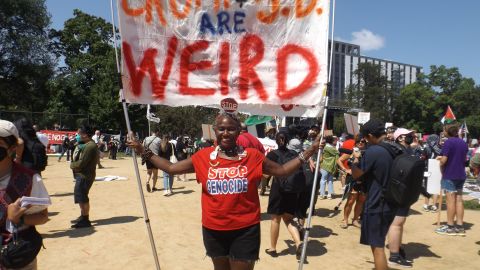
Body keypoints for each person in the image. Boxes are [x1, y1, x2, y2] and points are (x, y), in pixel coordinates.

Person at [127, 111, 321, 270]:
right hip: (213, 230)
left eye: (231, 129)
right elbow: (170, 168)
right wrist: (141, 150)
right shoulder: (202, 157)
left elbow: (282, 171)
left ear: (239, 132)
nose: (226, 133)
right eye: (221, 129)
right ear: (215, 131)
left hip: (246, 230)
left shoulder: (253, 157)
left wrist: (310, 151)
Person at [0, 120, 50, 270]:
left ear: (12, 148)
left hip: (15, 256)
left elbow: (43, 216)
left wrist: (19, 218)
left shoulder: (30, 179)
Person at [351, 119, 398, 270]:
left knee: (377, 246)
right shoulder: (394, 147)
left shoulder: (374, 151)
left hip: (377, 202)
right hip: (391, 201)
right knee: (379, 241)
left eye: (365, 137)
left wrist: (355, 160)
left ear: (371, 136)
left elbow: (357, 175)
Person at [265, 132, 304, 261]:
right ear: (288, 141)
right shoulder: (294, 154)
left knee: (275, 219)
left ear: (275, 140)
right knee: (288, 219)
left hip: (278, 190)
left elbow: (265, 175)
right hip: (292, 191)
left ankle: (273, 248)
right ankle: (298, 242)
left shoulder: (272, 155)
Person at [386, 128, 416, 267]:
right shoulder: (396, 152)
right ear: (400, 138)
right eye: (409, 135)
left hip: (404, 191)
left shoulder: (407, 150)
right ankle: (394, 256)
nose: (412, 136)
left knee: (399, 223)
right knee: (396, 223)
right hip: (398, 192)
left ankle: (396, 248)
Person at [435, 124, 468, 236]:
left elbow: (444, 160)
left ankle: (450, 227)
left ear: (447, 132)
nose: (443, 132)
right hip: (461, 174)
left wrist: (439, 161)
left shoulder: (448, 142)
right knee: (459, 200)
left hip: (450, 174)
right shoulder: (463, 142)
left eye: (444, 130)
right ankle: (459, 226)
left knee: (450, 201)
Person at [70, 126, 98, 228]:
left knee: (82, 197)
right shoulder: (86, 144)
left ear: (85, 134)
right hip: (83, 175)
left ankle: (85, 220)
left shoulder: (90, 146)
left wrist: (72, 165)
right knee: (80, 196)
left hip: (85, 176)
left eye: (78, 134)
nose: (77, 136)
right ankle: (83, 216)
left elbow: (82, 163)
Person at [336, 135, 367, 229]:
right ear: (356, 142)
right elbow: (339, 160)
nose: (360, 143)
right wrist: (345, 170)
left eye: (363, 141)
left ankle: (355, 220)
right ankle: (345, 220)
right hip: (353, 178)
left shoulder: (368, 153)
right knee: (350, 201)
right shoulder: (352, 152)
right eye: (358, 141)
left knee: (361, 200)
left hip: (364, 179)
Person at [423, 134, 442, 211]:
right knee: (436, 186)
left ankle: (426, 204)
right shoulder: (440, 148)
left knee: (427, 186)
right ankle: (434, 205)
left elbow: (423, 158)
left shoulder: (426, 148)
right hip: (437, 168)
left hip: (427, 168)